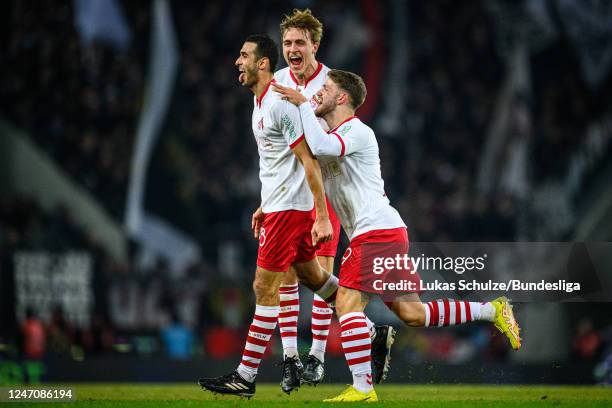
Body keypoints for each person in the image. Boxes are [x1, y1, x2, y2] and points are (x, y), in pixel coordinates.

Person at [273, 70, 522, 402]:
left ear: (343, 98)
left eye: (326, 89)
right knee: (412, 314)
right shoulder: (330, 132)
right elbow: (305, 152)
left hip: (375, 233)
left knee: (346, 303)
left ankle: (363, 388)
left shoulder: (357, 131)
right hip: (387, 231)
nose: (318, 94)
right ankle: (493, 311)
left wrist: (303, 104)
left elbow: (318, 145)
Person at [198, 34, 337, 398]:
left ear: (262, 63)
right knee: (315, 279)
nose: (237, 62)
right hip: (278, 207)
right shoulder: (260, 103)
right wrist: (264, 203)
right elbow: (279, 165)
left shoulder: (278, 103)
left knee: (264, 287)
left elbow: (308, 160)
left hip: (289, 213)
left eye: (243, 55)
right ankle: (369, 329)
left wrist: (321, 216)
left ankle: (245, 376)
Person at [273, 9, 395, 391]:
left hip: (323, 197)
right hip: (290, 194)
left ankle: (317, 359)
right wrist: (269, 195)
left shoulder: (329, 85)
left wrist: (323, 213)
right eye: (288, 43)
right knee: (293, 273)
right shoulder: (278, 82)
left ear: (315, 46)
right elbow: (277, 146)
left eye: (300, 43)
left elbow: (330, 145)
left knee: (320, 274)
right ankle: (297, 355)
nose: (293, 49)